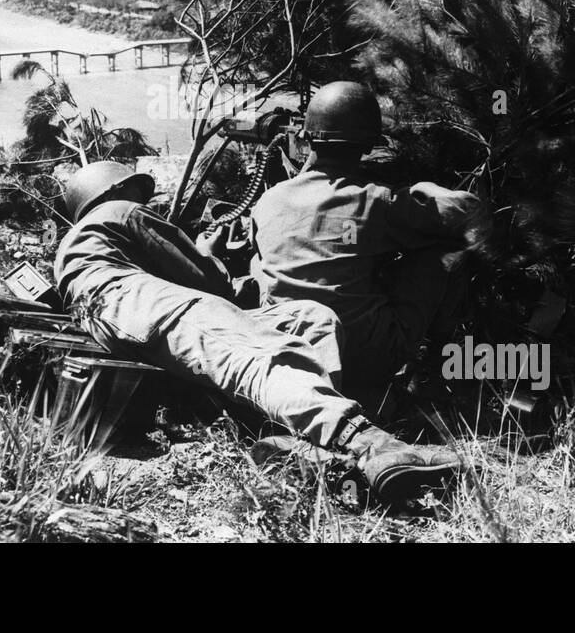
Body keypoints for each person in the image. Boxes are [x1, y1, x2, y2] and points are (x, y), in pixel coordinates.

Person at [53, 160, 462, 504]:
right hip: (135, 300)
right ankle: (366, 442)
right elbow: (205, 282)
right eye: (135, 191)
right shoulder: (119, 213)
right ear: (115, 190)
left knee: (308, 317)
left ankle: (295, 442)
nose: (144, 201)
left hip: (129, 309)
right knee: (247, 353)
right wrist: (209, 253)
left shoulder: (86, 240)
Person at [251, 82, 486, 392]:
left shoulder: (269, 201)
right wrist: (420, 189)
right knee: (445, 249)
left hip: (287, 360)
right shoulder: (375, 203)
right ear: (367, 146)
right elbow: (466, 209)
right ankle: (434, 365)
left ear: (306, 137)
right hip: (361, 365)